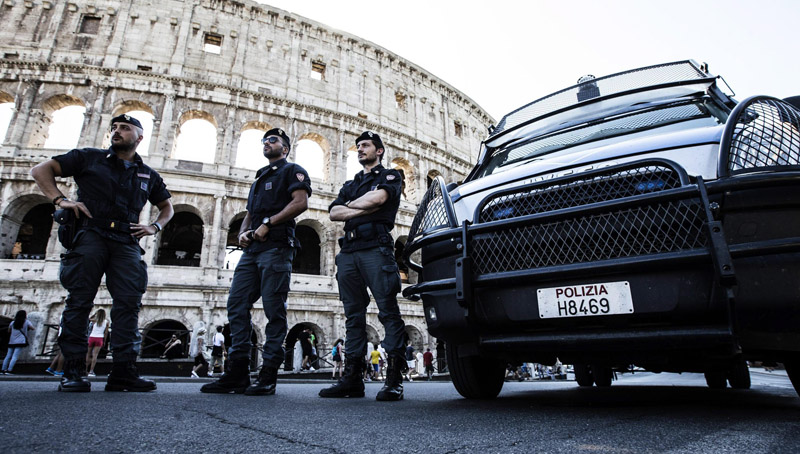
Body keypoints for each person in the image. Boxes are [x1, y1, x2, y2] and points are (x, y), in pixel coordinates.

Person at [30, 113, 174, 392]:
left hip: (126, 240)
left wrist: (154, 227)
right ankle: (72, 371)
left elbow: (167, 207)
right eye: (114, 127)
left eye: (125, 128)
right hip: (90, 234)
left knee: (129, 305)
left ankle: (123, 371)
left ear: (139, 137)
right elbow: (40, 170)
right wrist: (61, 200)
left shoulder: (148, 174)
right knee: (79, 301)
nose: (117, 131)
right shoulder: (88, 157)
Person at [201, 128, 311, 395]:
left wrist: (267, 224)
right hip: (252, 251)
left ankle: (268, 374)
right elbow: (251, 211)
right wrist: (242, 231)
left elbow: (301, 203)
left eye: (273, 140)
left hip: (276, 247)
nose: (267, 143)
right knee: (236, 304)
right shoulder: (260, 177)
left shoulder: (293, 170)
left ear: (284, 148)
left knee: (274, 311)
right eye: (264, 140)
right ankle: (238, 371)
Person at [319, 131, 408, 401]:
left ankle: (394, 379)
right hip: (350, 251)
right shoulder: (351, 183)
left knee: (388, 311)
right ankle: (352, 379)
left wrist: (353, 208)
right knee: (352, 316)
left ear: (379, 151)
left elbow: (380, 199)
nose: (360, 149)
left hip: (376, 248)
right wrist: (364, 208)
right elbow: (334, 213)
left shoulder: (391, 175)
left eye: (366, 145)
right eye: (357, 146)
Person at [2, 310, 35, 374]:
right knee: (15, 356)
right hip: (21, 341)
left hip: (12, 341)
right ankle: (9, 370)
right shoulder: (26, 322)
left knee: (8, 356)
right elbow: (33, 328)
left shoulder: (12, 323)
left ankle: (3, 369)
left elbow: (9, 331)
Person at [85, 309, 109, 376]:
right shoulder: (106, 321)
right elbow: (106, 333)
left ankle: (85, 369)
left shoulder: (94, 321)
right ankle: (91, 371)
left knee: (88, 354)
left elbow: (89, 318)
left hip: (92, 337)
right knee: (95, 355)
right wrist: (104, 341)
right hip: (99, 338)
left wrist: (95, 314)